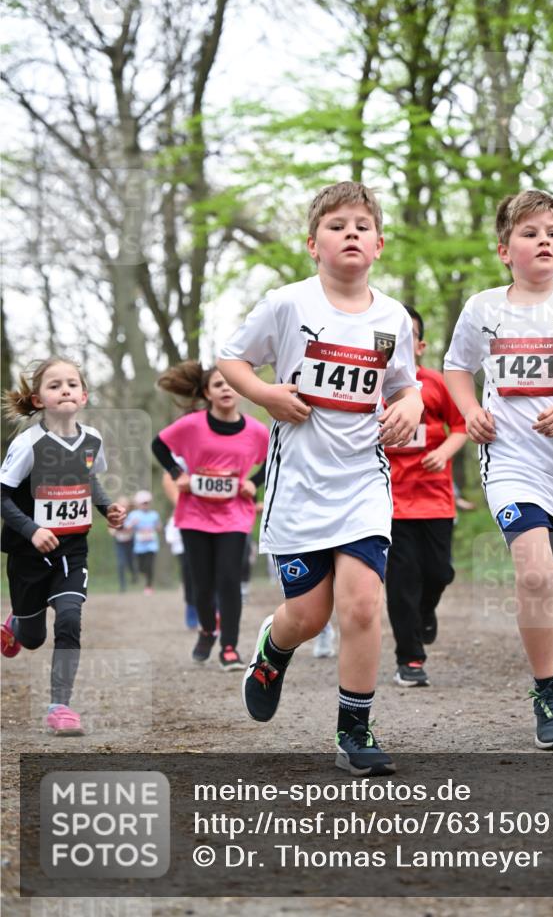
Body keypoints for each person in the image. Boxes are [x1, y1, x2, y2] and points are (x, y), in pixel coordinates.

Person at [218, 180, 422, 776]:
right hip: (299, 485)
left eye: (361, 225)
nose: (350, 233)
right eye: (337, 225)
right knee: (308, 615)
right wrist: (264, 394)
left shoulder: (392, 319)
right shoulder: (288, 304)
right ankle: (272, 648)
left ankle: (354, 731)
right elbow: (232, 360)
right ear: (314, 243)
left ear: (379, 244)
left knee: (361, 607)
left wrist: (409, 405)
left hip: (363, 480)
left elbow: (404, 385)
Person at [444, 190, 553, 751]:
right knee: (536, 574)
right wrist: (471, 412)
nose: (544, 240)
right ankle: (546, 690)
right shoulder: (483, 309)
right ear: (505, 250)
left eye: (552, 231)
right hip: (511, 461)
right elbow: (456, 367)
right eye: (530, 233)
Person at [0, 357, 126, 735]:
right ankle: (18, 622)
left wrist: (107, 509)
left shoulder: (92, 440)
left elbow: (88, 479)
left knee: (70, 618)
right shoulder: (29, 443)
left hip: (72, 548)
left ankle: (60, 706)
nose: (65, 389)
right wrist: (31, 529)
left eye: (72, 383)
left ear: (84, 395)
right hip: (29, 552)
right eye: (54, 385)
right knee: (34, 637)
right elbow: (2, 495)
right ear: (38, 399)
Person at [152, 362, 269, 669]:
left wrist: (252, 483)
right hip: (194, 515)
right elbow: (159, 445)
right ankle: (207, 629)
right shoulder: (191, 425)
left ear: (241, 390)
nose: (226, 389)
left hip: (234, 515)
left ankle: (229, 647)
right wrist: (178, 473)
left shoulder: (257, 431)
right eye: (218, 384)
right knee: (202, 585)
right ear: (207, 392)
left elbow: (275, 460)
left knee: (229, 579)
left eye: (231, 384)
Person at [384, 304, 467, 687]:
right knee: (402, 580)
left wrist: (443, 452)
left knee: (439, 572)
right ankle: (410, 659)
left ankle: (424, 613)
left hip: (435, 496)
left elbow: (462, 426)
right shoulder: (369, 388)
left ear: (419, 346)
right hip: (390, 501)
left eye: (409, 337)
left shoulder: (435, 383)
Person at [162, 471, 198, 629]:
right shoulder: (175, 516)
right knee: (189, 575)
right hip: (183, 542)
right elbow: (168, 477)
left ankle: (213, 609)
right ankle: (191, 607)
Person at [125, 490, 161, 595]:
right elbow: (127, 528)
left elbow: (159, 527)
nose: (145, 505)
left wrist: (157, 528)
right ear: (139, 504)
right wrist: (132, 523)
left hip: (152, 545)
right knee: (141, 567)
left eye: (147, 503)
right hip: (139, 546)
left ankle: (149, 586)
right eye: (143, 503)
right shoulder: (133, 514)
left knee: (149, 565)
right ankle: (143, 576)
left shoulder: (154, 514)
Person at [109, 494, 137, 592]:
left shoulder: (133, 515)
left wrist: (129, 528)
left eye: (125, 504)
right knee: (121, 564)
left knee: (131, 563)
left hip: (131, 542)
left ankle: (134, 576)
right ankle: (122, 586)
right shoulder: (113, 517)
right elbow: (111, 532)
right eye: (121, 504)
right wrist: (118, 528)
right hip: (120, 543)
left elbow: (134, 529)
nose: (123, 507)